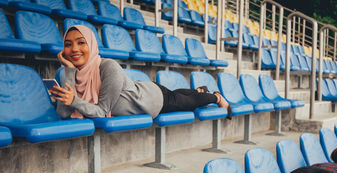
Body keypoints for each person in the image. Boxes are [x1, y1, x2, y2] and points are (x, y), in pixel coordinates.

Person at [50, 25, 232, 120]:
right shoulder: (73, 72)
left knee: (186, 102)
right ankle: (199, 90)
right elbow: (64, 113)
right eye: (68, 44)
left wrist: (74, 100)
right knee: (177, 95)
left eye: (81, 42)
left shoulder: (108, 66)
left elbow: (100, 111)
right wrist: (70, 71)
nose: (74, 49)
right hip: (145, 91)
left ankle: (215, 97)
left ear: (91, 44)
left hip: (150, 100)